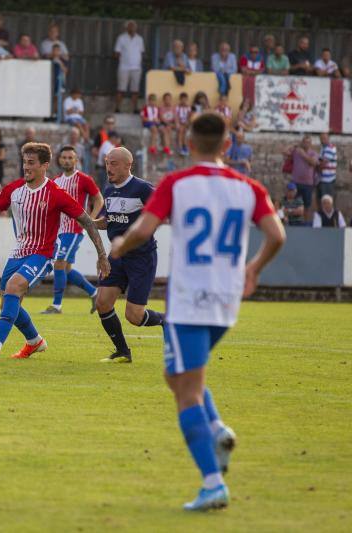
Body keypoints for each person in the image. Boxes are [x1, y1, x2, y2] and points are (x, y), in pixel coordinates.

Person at [111, 111, 285, 511]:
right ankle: (218, 428)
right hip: (226, 301)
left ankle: (212, 484)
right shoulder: (249, 187)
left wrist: (120, 246)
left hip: (189, 300)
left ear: (188, 143)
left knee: (185, 391)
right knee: (178, 376)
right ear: (228, 145)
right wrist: (254, 269)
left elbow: (143, 229)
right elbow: (277, 234)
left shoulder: (177, 182)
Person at [0, 142, 109, 362]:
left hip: (43, 254)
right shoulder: (14, 189)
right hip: (18, 253)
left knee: (13, 287)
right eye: (24, 162)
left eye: (31, 163)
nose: (26, 167)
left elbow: (87, 221)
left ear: (44, 165)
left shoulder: (56, 193)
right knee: (8, 302)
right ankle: (35, 341)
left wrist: (102, 255)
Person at [93, 146, 165, 363]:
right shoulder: (109, 190)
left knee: (134, 316)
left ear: (128, 165)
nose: (108, 167)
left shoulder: (143, 189)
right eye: (106, 162)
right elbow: (108, 221)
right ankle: (123, 351)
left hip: (141, 258)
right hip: (117, 257)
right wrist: (87, 221)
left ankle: (166, 321)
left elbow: (161, 213)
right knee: (102, 303)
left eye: (113, 163)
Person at [41, 145, 104, 315]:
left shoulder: (84, 179)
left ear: (76, 160)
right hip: (59, 230)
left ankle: (57, 305)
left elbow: (98, 199)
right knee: (66, 268)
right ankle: (94, 292)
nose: (67, 160)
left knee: (59, 263)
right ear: (59, 160)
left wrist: (91, 218)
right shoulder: (55, 181)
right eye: (64, 157)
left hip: (75, 228)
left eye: (71, 157)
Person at [114, 20, 145, 113]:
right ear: (126, 27)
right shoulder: (121, 38)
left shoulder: (140, 39)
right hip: (124, 67)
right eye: (130, 26)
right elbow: (116, 53)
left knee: (135, 90)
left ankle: (135, 108)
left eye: (134, 26)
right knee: (121, 89)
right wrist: (124, 59)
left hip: (136, 68)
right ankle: (118, 108)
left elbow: (141, 52)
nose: (132, 28)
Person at [289, 134, 319, 215]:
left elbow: (313, 163)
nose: (306, 144)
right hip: (296, 182)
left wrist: (303, 155)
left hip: (308, 184)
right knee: (293, 203)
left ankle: (305, 223)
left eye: (308, 142)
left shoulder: (313, 153)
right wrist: (294, 146)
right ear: (302, 143)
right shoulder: (296, 151)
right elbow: (284, 152)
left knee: (307, 205)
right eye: (305, 142)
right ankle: (294, 222)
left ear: (310, 144)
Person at [317, 132, 337, 200]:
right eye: (321, 138)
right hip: (323, 179)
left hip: (328, 180)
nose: (322, 140)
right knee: (322, 200)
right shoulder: (323, 148)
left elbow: (323, 163)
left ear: (328, 138)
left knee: (327, 200)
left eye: (324, 138)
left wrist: (317, 169)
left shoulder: (329, 148)